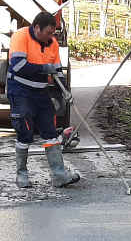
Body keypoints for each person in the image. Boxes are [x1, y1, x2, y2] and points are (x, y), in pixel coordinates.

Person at [7, 11, 79, 188]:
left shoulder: (52, 43)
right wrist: (43, 68)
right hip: (20, 91)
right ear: (36, 28)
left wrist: (65, 90)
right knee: (24, 132)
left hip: (40, 92)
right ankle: (21, 175)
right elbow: (18, 66)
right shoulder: (20, 37)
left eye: (52, 33)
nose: (50, 37)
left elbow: (57, 71)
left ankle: (59, 175)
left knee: (50, 132)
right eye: (48, 33)